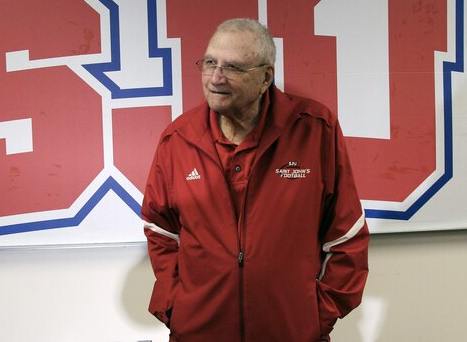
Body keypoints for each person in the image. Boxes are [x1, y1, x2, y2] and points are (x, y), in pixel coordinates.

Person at [141, 18, 369, 341]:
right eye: (210, 63)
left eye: (232, 67)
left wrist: (315, 316)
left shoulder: (316, 130)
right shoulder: (177, 139)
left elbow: (348, 235)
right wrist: (176, 306)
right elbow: (158, 228)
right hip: (199, 334)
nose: (215, 78)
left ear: (266, 78)